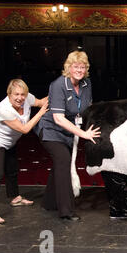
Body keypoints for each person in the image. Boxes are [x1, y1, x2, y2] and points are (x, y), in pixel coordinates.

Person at [35, 51, 100, 221]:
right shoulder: (58, 85)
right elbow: (58, 118)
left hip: (69, 132)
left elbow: (88, 108)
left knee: (60, 164)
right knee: (63, 160)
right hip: (51, 130)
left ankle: (49, 202)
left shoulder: (87, 84)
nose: (79, 69)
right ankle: (66, 211)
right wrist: (84, 134)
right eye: (76, 66)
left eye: (83, 66)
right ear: (68, 68)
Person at [0, 79, 49, 224]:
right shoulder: (4, 109)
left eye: (23, 94)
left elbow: (41, 102)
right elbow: (24, 129)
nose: (20, 98)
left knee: (12, 170)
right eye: (16, 95)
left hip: (9, 141)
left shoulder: (26, 98)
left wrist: (58, 91)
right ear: (9, 94)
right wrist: (41, 113)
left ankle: (15, 198)